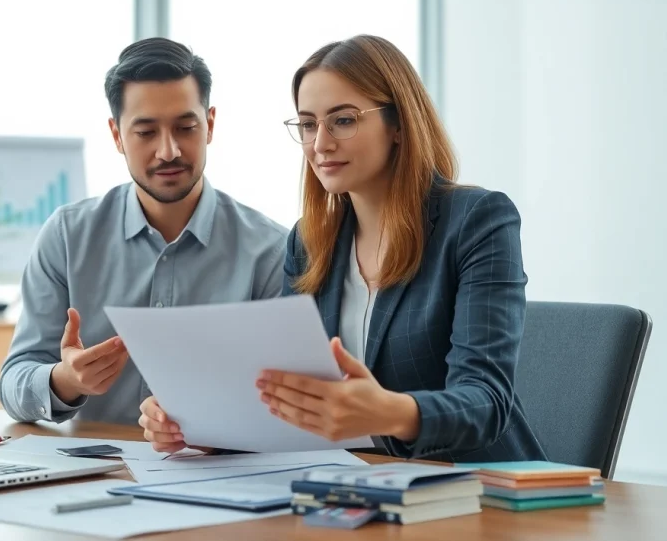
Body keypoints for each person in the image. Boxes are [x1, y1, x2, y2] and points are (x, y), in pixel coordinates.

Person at [141, 35, 547, 463]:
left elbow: (486, 400)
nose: (320, 145)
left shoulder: (476, 220)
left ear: (397, 124)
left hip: (477, 489)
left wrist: (388, 412)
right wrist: (201, 425)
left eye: (344, 121)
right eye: (309, 124)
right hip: (359, 487)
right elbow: (284, 394)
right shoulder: (310, 241)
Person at [0, 37, 288, 427]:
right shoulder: (67, 236)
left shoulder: (270, 251)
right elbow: (14, 380)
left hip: (215, 475)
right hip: (90, 475)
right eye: (146, 132)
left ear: (211, 125)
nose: (168, 151)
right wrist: (65, 380)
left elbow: (287, 400)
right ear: (117, 135)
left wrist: (210, 427)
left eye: (186, 127)